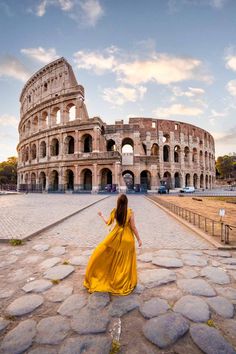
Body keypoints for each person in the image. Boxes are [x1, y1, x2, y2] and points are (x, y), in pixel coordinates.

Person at [83, 194, 142, 296]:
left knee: (110, 256)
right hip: (127, 239)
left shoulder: (115, 211)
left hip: (115, 237)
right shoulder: (130, 212)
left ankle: (109, 276)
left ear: (118, 202)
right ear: (127, 202)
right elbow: (133, 227)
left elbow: (108, 223)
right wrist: (139, 239)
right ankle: (123, 280)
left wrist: (101, 215)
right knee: (125, 261)